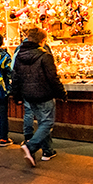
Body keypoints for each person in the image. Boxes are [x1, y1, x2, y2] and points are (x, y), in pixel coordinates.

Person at [13, 26, 66, 166]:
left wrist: (17, 96)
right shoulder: (44, 56)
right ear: (42, 41)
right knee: (47, 123)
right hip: (44, 94)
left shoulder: (19, 55)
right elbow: (53, 78)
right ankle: (31, 147)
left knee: (43, 122)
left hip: (28, 95)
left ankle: (48, 151)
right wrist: (61, 93)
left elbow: (16, 78)